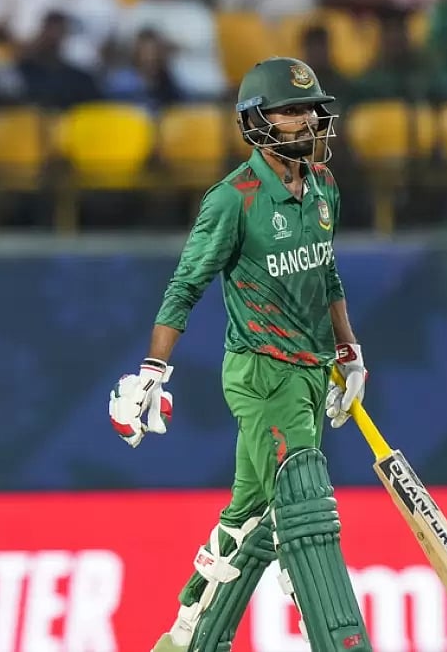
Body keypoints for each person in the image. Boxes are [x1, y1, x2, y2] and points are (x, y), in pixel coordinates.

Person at [108, 57, 373, 652]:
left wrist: (348, 352)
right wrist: (152, 371)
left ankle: (185, 634)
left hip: (309, 372)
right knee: (303, 493)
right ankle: (333, 632)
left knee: (250, 512)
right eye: (290, 111)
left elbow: (326, 276)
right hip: (260, 371)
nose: (306, 120)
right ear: (257, 121)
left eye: (310, 108)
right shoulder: (233, 199)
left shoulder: (325, 187)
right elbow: (186, 285)